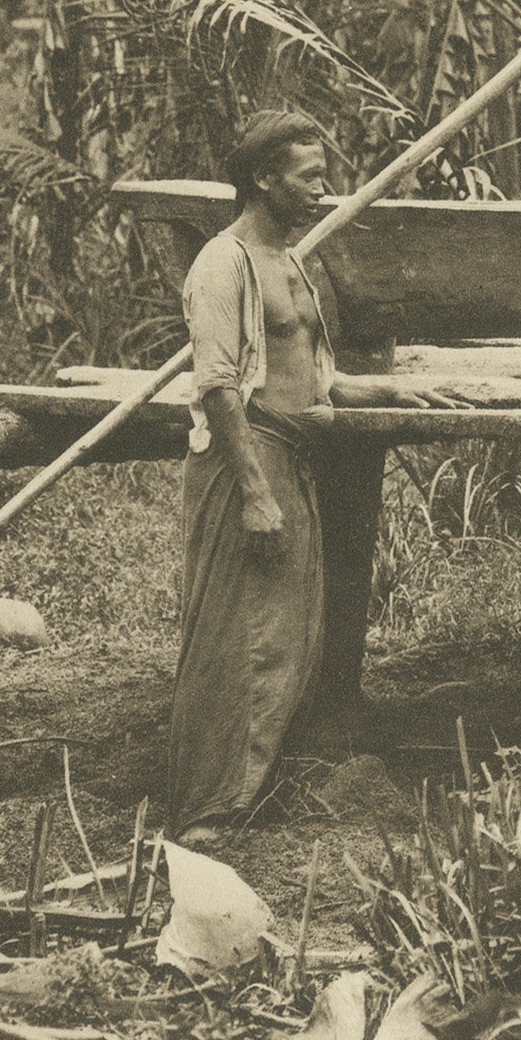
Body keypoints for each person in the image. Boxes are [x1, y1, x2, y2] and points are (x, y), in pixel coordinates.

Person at [157, 116, 347, 842]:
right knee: (238, 634)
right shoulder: (222, 261)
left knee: (288, 632)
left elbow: (305, 369)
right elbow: (219, 384)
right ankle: (205, 809)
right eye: (308, 177)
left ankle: (249, 793)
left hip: (289, 456)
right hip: (246, 461)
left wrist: (383, 393)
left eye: (324, 175)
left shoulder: (291, 260)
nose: (322, 191)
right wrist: (255, 492)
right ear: (264, 179)